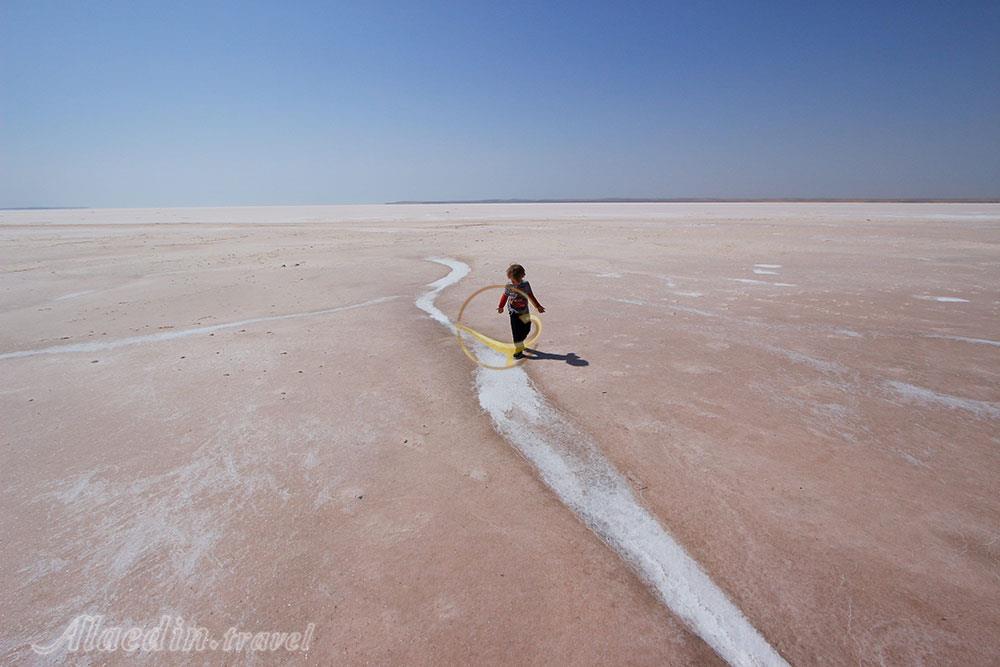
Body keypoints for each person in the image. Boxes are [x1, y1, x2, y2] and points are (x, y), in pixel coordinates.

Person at [497, 263, 545, 359]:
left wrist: (538, 306)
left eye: (516, 280)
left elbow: (531, 295)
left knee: (526, 328)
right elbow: (505, 296)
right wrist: (501, 306)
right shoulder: (509, 286)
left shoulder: (525, 285)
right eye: (512, 280)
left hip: (524, 311)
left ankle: (520, 342)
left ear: (522, 276)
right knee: (516, 332)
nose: (514, 282)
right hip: (513, 312)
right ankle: (518, 351)